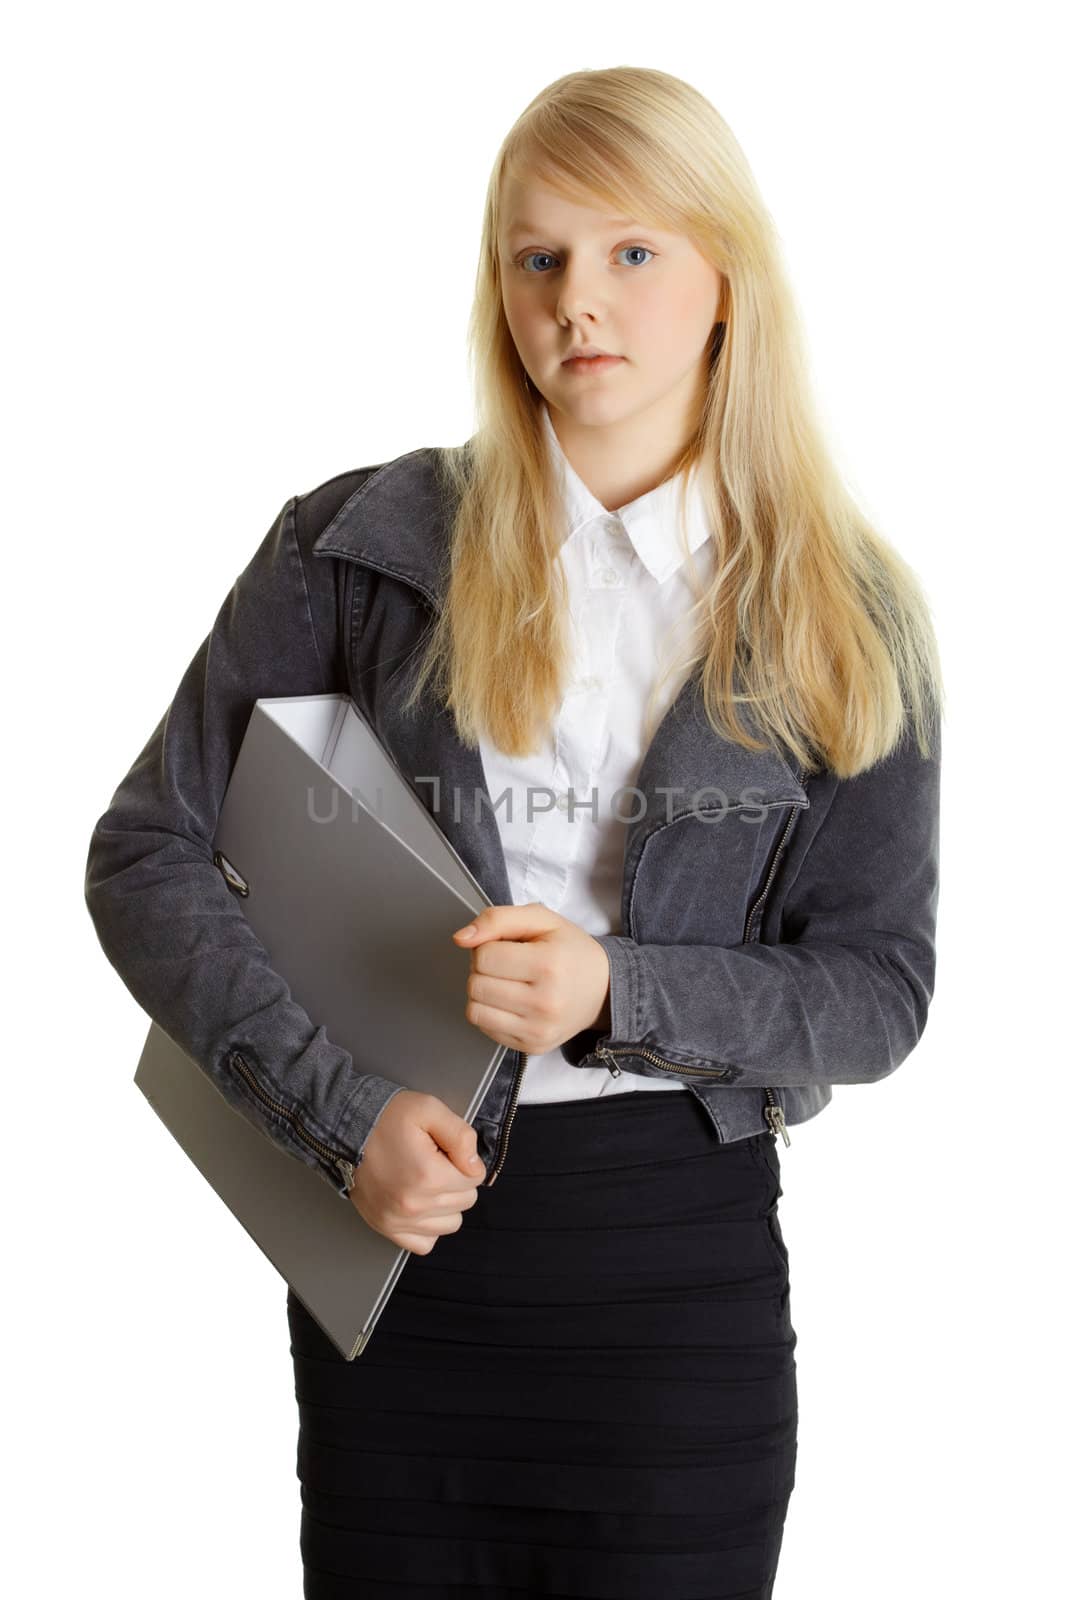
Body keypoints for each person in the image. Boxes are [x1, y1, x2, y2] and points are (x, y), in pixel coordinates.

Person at [84, 65, 943, 1599]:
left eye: (633, 253)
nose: (578, 303)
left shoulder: (844, 612)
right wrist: (341, 1117)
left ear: (726, 278)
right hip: (406, 1252)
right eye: (536, 257)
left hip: (678, 1270)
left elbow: (877, 991)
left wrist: (620, 989)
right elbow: (147, 851)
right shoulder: (358, 546)